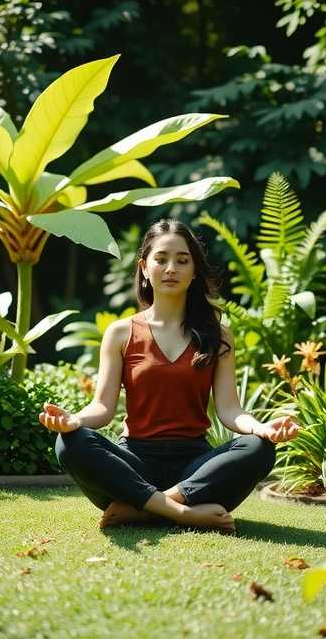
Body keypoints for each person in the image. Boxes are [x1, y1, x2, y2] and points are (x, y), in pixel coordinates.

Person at [39, 219, 299, 533]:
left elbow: (230, 410)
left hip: (195, 468)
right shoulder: (121, 333)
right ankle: (184, 512)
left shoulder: (219, 336)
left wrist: (261, 428)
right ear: (144, 268)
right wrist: (74, 422)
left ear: (194, 271)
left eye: (182, 260)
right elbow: (103, 408)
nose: (171, 268)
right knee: (68, 443)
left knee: (258, 447)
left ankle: (146, 507)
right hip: (133, 462)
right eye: (161, 259)